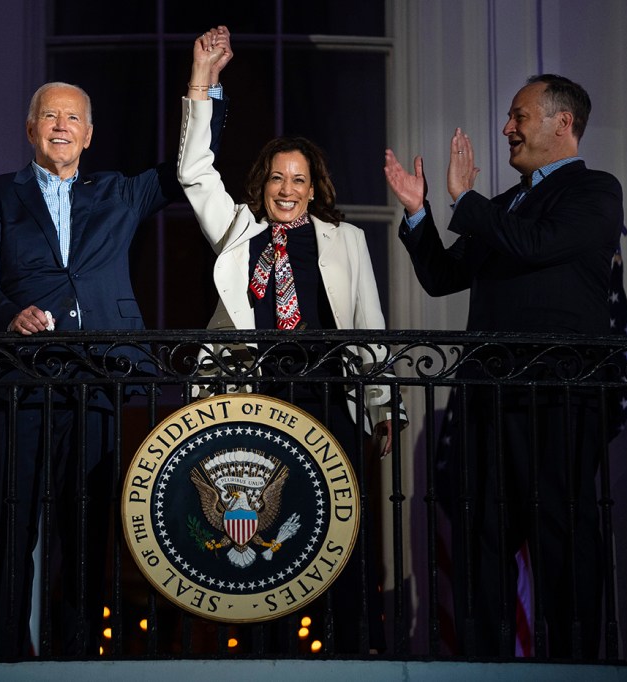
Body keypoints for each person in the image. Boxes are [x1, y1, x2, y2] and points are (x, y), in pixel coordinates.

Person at [0, 29, 231, 657]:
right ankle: (5, 660)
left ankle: (77, 656)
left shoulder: (117, 192)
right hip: (22, 382)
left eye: (72, 117)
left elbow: (193, 163)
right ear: (31, 130)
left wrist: (203, 84)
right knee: (14, 526)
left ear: (89, 135)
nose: (61, 125)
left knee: (85, 531)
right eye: (49, 115)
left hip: (100, 381)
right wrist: (8, 315)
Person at [384, 74, 623, 658]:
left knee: (559, 534)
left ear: (562, 122)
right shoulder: (501, 207)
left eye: (519, 116)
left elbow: (538, 244)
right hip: (487, 399)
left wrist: (467, 203)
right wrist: (419, 215)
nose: (506, 128)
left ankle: (575, 668)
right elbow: (443, 278)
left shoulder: (594, 190)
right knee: (480, 541)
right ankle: (482, 668)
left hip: (556, 395)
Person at [177, 33, 401, 655]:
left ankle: (350, 651)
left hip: (330, 396)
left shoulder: (345, 240)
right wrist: (202, 82)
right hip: (256, 400)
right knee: (263, 544)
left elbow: (369, 325)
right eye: (277, 177)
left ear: (313, 186)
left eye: (298, 180)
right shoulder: (239, 232)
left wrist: (382, 406)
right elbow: (194, 173)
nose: (286, 188)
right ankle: (260, 655)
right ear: (264, 182)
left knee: (338, 534)